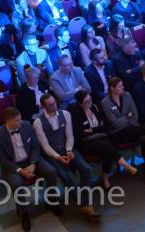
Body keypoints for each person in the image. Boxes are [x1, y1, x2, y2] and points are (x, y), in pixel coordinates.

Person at [32, 93, 101, 222]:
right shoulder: (38, 122)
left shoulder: (65, 114)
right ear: (43, 106)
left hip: (68, 148)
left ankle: (84, 201)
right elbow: (45, 147)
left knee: (86, 169)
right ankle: (86, 205)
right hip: (52, 155)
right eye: (50, 104)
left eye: (54, 102)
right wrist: (59, 157)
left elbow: (70, 136)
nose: (54, 105)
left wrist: (69, 150)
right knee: (66, 178)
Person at [0, 107, 60, 232]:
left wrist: (33, 164)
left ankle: (51, 200)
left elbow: (35, 146)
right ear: (8, 121)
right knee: (17, 184)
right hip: (13, 166)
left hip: (30, 160)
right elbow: (3, 161)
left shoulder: (27, 125)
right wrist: (20, 171)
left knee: (51, 171)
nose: (20, 122)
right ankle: (24, 214)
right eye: (17, 121)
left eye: (20, 119)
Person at [69, 89, 136, 190]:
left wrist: (91, 130)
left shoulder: (95, 107)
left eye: (90, 100)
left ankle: (105, 176)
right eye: (86, 102)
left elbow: (104, 126)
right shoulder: (75, 114)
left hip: (100, 136)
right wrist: (95, 130)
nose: (90, 103)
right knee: (105, 146)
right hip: (85, 143)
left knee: (108, 147)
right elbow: (80, 133)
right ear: (80, 103)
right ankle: (124, 166)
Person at [99, 76, 145, 183]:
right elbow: (114, 123)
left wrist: (126, 119)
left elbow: (135, 115)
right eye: (120, 86)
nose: (123, 88)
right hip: (117, 134)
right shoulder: (105, 103)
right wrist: (127, 116)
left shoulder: (127, 95)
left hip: (132, 129)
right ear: (112, 89)